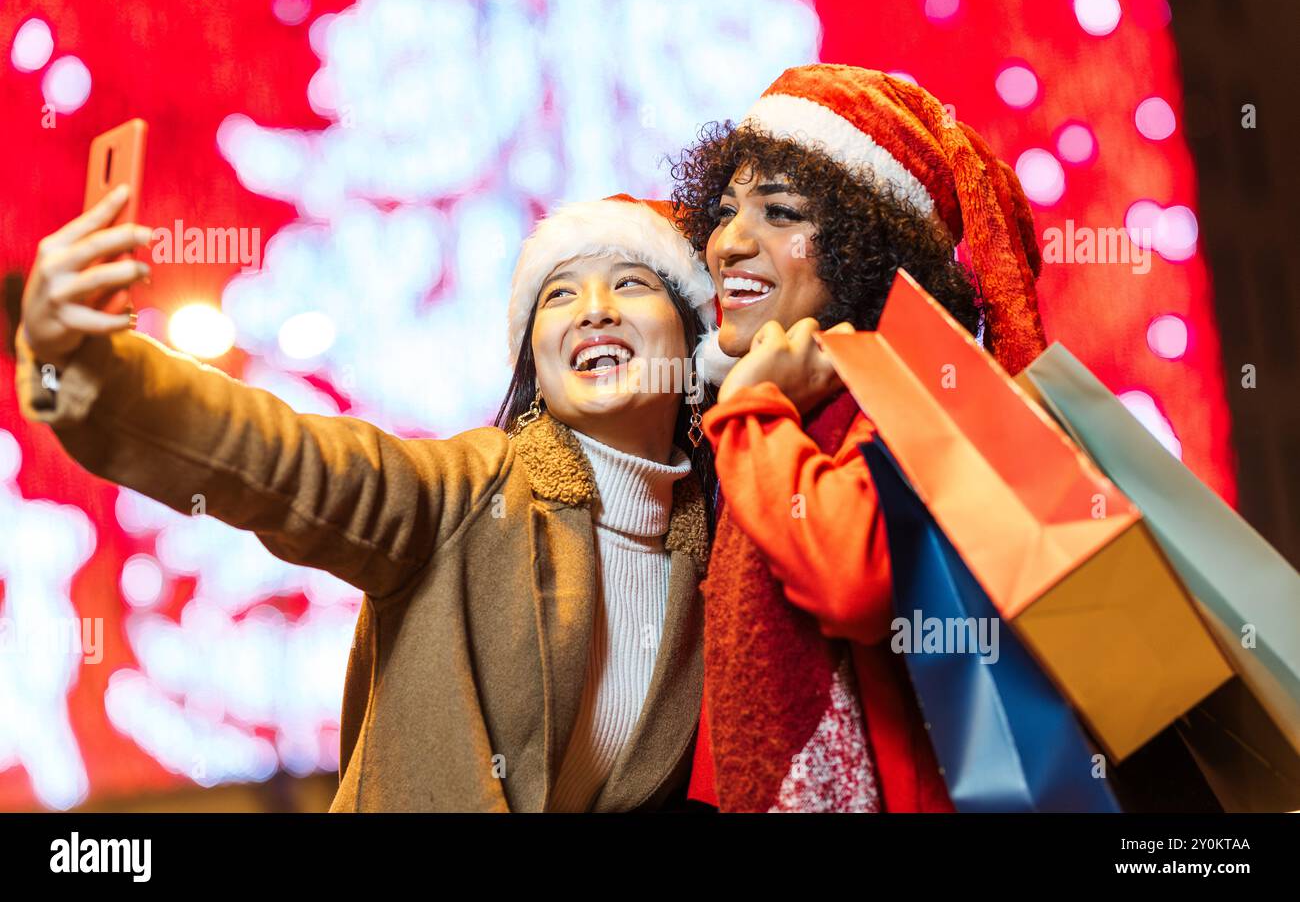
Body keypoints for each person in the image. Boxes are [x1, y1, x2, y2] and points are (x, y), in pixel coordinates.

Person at [15, 186, 718, 812]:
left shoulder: (718, 566)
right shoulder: (469, 497)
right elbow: (279, 458)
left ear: (692, 341)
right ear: (535, 358)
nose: (593, 310)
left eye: (629, 283)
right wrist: (83, 366)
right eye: (559, 294)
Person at [674, 64, 1048, 812]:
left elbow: (853, 578)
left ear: (864, 244)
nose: (729, 244)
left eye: (780, 213)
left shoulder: (927, 389)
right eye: (724, 211)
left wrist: (750, 409)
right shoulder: (796, 407)